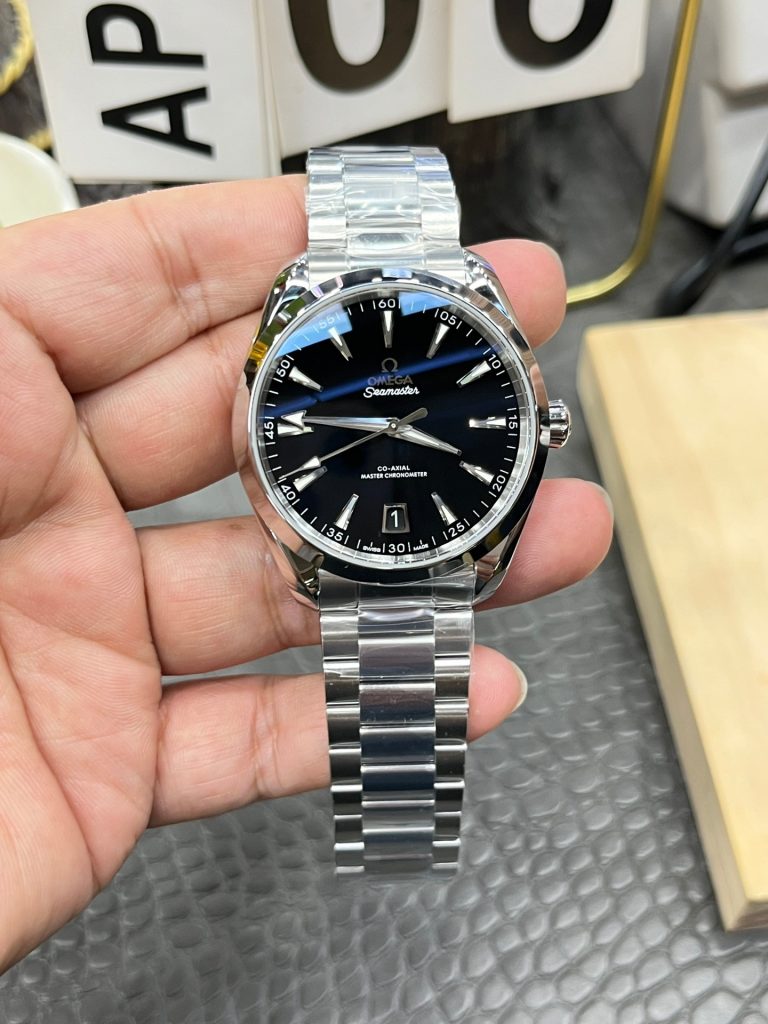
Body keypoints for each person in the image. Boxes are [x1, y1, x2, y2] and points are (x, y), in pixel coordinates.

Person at [0, 175, 613, 972]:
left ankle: (402, 860)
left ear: (543, 425)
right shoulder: (305, 344)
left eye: (403, 421)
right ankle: (401, 869)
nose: (393, 426)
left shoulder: (420, 312)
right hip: (358, 540)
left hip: (421, 539)